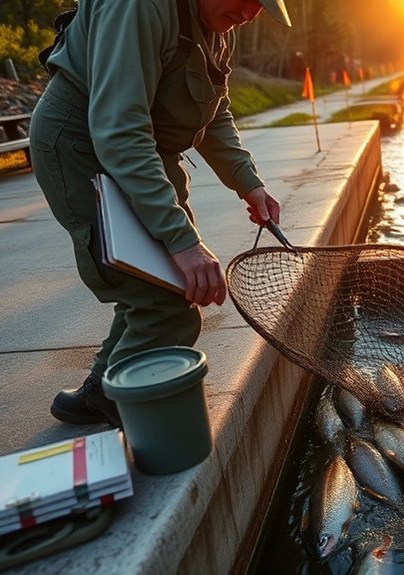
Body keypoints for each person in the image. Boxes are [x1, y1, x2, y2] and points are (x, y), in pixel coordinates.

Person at [29, 0, 292, 427]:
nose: (249, 13)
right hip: (83, 148)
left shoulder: (216, 20)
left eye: (261, 6)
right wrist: (182, 240)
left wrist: (249, 182)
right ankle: (134, 417)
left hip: (144, 152)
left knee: (153, 281)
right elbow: (120, 132)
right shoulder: (138, 8)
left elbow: (214, 108)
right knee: (166, 296)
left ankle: (101, 390)